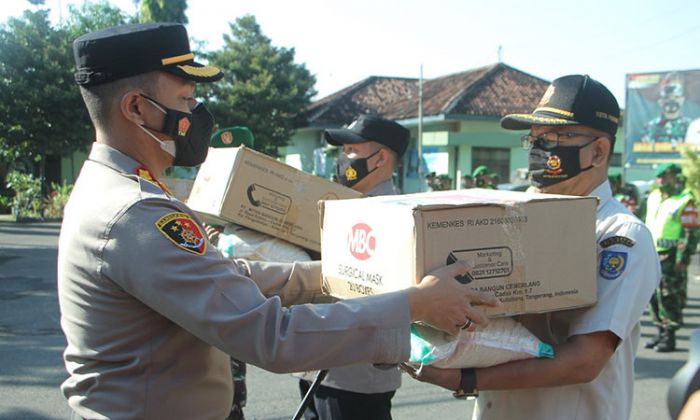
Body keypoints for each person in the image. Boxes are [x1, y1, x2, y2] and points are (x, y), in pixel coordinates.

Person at [58, 23, 500, 420]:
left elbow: (228, 277)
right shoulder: (136, 213)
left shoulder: (118, 189)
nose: (197, 116)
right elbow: (269, 335)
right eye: (186, 101)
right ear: (136, 108)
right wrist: (414, 305)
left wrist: (341, 276)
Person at [403, 74, 661, 420]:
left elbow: (584, 360)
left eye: (554, 138)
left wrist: (465, 379)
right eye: (534, 139)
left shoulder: (620, 235)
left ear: (598, 151)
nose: (539, 150)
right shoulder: (509, 215)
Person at [294, 114, 410, 420]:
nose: (341, 159)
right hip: (319, 363)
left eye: (350, 151)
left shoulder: (391, 215)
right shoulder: (345, 206)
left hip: (355, 376)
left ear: (380, 158)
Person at [645, 163, 700, 352]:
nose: (660, 181)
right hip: (651, 253)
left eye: (665, 177)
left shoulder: (685, 200)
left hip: (670, 256)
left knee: (669, 296)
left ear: (676, 178)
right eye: (658, 177)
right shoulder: (654, 197)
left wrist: (682, 259)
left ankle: (670, 335)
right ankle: (659, 330)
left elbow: (691, 233)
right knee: (652, 295)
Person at [642, 73, 691, 144]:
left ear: (682, 100)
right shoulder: (650, 127)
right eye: (667, 98)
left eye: (676, 97)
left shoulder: (691, 126)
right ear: (660, 101)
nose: (671, 101)